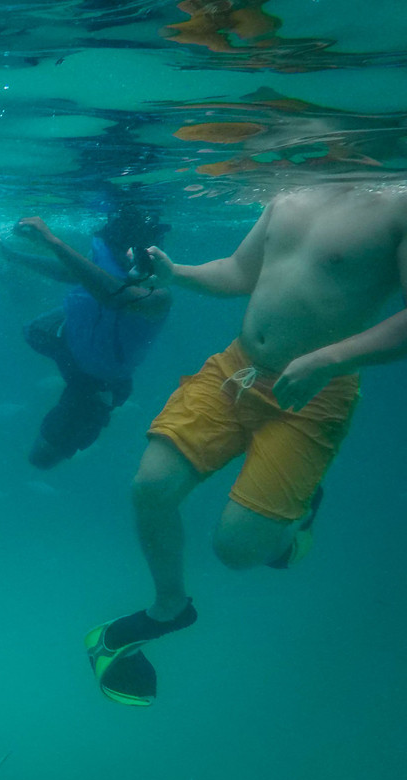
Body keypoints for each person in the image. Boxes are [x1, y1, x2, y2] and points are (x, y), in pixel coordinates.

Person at [85, 184, 407, 706]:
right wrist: (178, 273)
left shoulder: (398, 205)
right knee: (151, 486)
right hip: (236, 369)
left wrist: (329, 360)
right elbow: (239, 272)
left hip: (318, 389)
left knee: (236, 552)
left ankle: (295, 519)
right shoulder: (288, 196)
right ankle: (169, 607)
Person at [0, 206, 172, 469]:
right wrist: (10, 254)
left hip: (98, 377)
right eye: (121, 248)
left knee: (52, 443)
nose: (127, 254)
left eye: (136, 251)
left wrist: (52, 241)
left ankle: (88, 415)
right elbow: (70, 272)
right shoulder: (107, 258)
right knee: (34, 332)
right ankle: (83, 417)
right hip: (77, 348)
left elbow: (113, 295)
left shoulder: (159, 296)